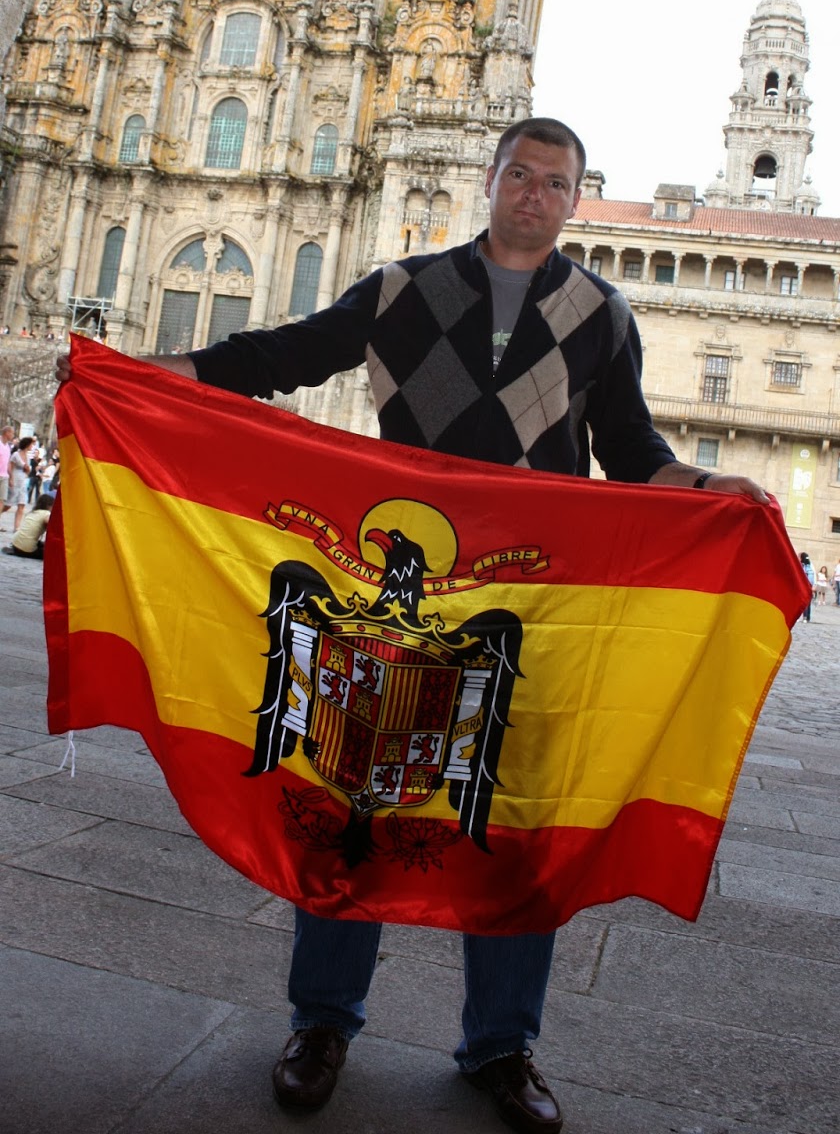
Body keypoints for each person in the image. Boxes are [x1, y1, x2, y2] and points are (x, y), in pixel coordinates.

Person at [56, 116, 767, 1134]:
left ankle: (502, 1046)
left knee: (515, 821)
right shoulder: (403, 289)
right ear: (491, 180)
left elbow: (629, 446)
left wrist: (709, 488)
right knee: (353, 800)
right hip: (405, 599)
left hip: (529, 610)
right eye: (519, 174)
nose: (533, 192)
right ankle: (321, 1023)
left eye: (554, 182)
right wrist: (150, 378)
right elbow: (284, 354)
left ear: (575, 198)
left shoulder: (599, 314)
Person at [3, 493, 53, 559]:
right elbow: (48, 521)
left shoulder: (33, 512)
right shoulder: (46, 513)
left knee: (40, 544)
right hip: (27, 550)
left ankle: (17, 550)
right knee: (50, 554)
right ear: (49, 506)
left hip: (15, 543)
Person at [6, 437, 35, 533]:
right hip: (15, 479)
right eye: (31, 444)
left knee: (21, 504)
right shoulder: (16, 454)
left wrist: (27, 469)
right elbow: (10, 467)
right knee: (8, 504)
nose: (32, 446)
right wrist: (10, 479)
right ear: (27, 444)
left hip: (23, 480)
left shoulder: (28, 456)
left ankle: (17, 527)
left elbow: (28, 470)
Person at [0, 425, 15, 514]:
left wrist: (11, 477)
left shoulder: (8, 447)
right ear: (7, 433)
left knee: (2, 500)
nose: (13, 435)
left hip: (4, 476)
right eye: (12, 433)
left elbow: (8, 463)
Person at [800, 553, 815, 622]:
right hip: (809, 585)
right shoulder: (810, 565)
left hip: (805, 586)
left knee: (805, 602)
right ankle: (807, 617)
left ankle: (805, 617)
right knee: (808, 602)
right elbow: (813, 576)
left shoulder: (802, 566)